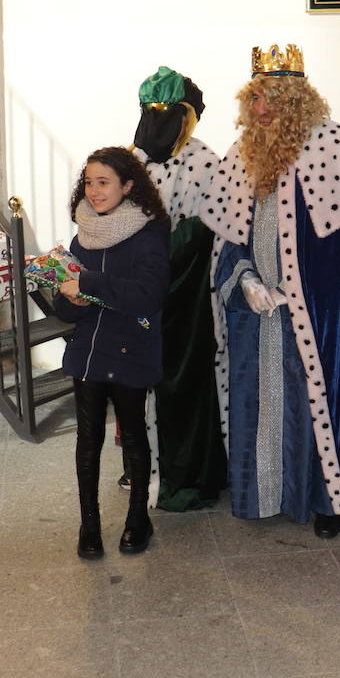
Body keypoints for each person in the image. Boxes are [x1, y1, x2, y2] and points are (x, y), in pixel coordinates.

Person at [202, 44, 340, 538]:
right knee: (257, 399)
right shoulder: (243, 153)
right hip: (254, 309)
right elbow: (226, 237)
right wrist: (246, 281)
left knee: (312, 401)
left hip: (311, 310)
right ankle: (261, 495)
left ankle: (324, 499)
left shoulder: (333, 147)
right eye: (255, 98)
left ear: (299, 101)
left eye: (272, 99)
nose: (260, 110)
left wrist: (298, 295)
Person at [53, 147, 170, 559]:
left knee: (134, 436)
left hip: (130, 347)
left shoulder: (150, 233)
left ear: (128, 185)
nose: (94, 191)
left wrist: (90, 284)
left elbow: (148, 296)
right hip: (89, 349)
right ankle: (90, 525)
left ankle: (139, 517)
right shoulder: (82, 233)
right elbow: (66, 306)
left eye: (103, 182)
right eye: (88, 182)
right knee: (88, 439)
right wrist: (73, 299)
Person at [129, 66, 227, 511]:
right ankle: (143, 466)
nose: (155, 120)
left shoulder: (205, 162)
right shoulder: (133, 160)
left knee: (180, 380)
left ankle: (184, 475)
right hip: (138, 289)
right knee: (136, 381)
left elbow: (208, 228)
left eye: (164, 111)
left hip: (186, 293)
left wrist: (156, 252)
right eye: (148, 110)